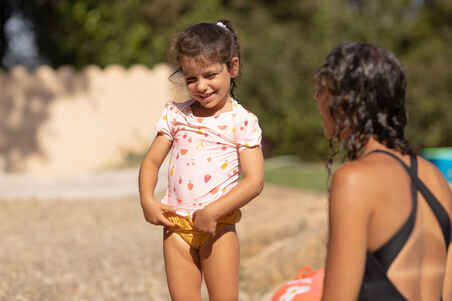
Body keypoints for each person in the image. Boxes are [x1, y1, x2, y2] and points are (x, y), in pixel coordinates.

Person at [314, 42, 452, 301]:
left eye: (320, 89)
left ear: (343, 101)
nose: (316, 99)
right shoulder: (436, 178)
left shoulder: (354, 180)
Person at [138, 20, 264, 301]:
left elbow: (254, 181)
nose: (201, 86)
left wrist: (214, 212)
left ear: (232, 67)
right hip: (176, 229)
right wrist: (147, 199)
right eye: (191, 78)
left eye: (210, 75)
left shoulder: (241, 122)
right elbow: (151, 163)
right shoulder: (177, 115)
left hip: (217, 228)